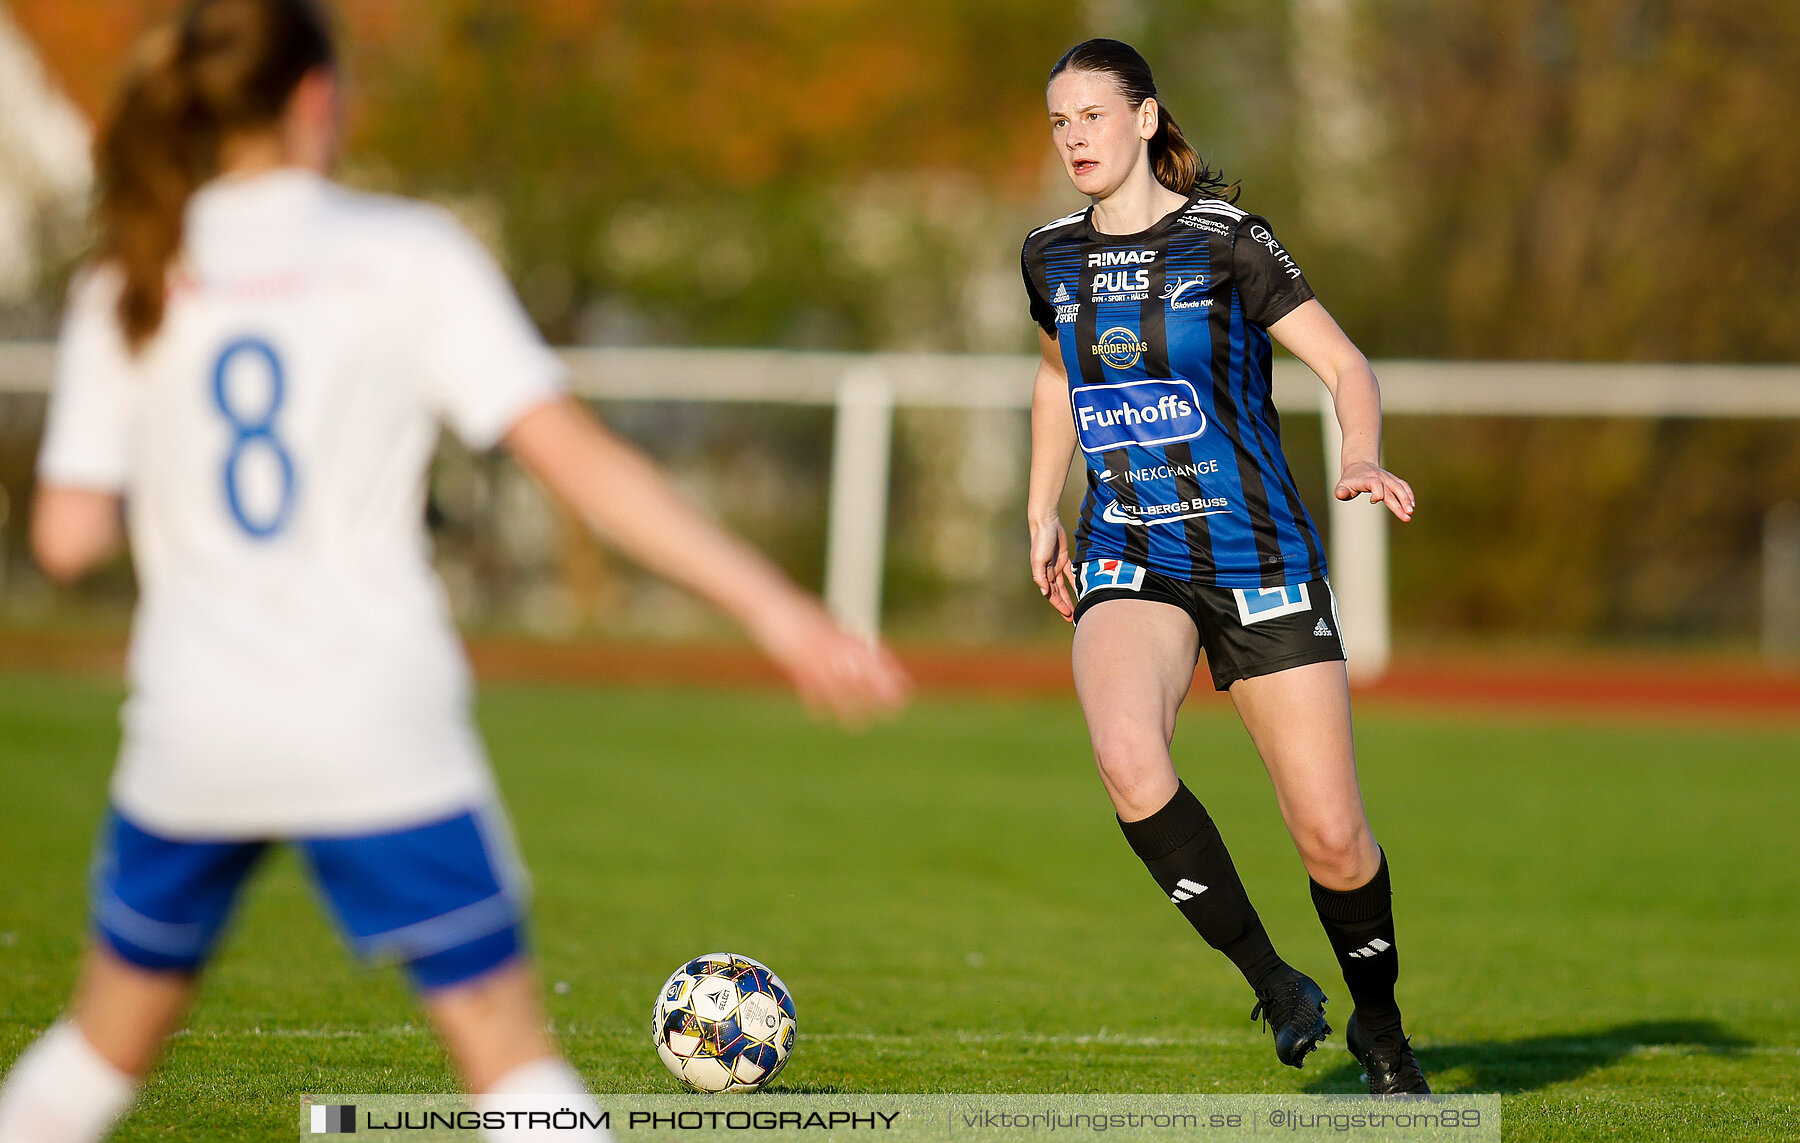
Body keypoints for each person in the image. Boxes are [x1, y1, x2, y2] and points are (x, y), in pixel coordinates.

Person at [0, 3, 909, 1141]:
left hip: (196, 721)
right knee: (510, 1066)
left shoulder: (128, 276)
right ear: (317, 99)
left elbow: (66, 540)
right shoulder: (404, 254)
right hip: (373, 716)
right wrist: (780, 612)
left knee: (95, 1054)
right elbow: (578, 462)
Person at [1021, 39, 1428, 1094]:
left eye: (1093, 116)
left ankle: (1379, 1025)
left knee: (1332, 836)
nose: (1074, 138)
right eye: (1060, 121)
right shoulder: (1048, 254)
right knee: (1126, 757)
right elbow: (1058, 372)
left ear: (1147, 120)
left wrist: (1363, 454)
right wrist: (1039, 509)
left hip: (1259, 556)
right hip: (1131, 549)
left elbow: (1344, 365)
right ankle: (1277, 984)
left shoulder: (1230, 241)